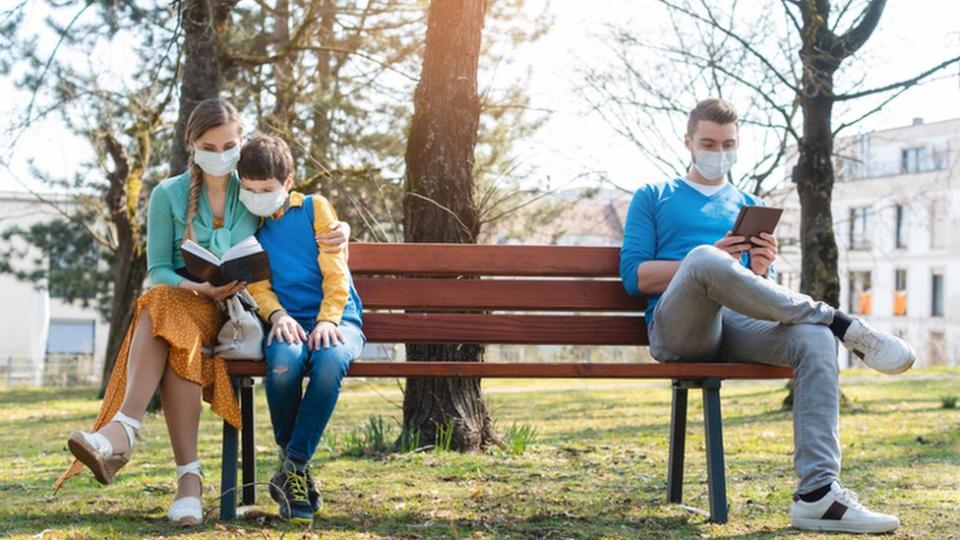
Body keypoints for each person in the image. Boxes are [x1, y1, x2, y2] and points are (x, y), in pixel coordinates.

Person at [619, 98, 916, 534]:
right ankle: (839, 319)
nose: (718, 151)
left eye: (728, 143)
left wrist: (759, 269)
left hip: (738, 324)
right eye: (708, 142)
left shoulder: (749, 204)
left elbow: (759, 295)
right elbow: (636, 277)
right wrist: (702, 263)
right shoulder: (653, 197)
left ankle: (818, 495)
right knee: (703, 258)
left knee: (813, 339)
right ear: (687, 142)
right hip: (679, 330)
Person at [55, 98, 351, 526]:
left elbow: (292, 204)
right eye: (209, 146)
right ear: (190, 144)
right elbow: (158, 267)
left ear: (241, 142)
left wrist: (340, 228)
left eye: (229, 144)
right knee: (167, 312)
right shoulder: (167, 195)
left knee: (165, 322)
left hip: (238, 316)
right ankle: (178, 477)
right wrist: (196, 286)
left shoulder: (249, 187)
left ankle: (127, 438)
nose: (220, 154)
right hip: (191, 303)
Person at [239, 136, 365, 524]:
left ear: (288, 181)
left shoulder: (314, 208)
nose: (258, 196)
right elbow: (258, 285)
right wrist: (276, 316)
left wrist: (329, 320)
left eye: (267, 189)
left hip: (338, 316)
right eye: (249, 190)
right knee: (284, 363)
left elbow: (336, 270)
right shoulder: (250, 227)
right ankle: (297, 472)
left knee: (328, 364)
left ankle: (292, 464)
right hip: (286, 322)